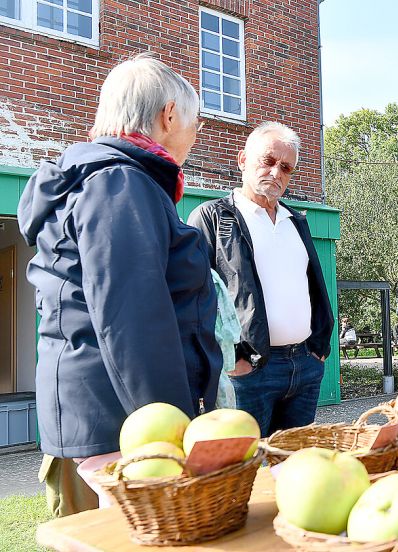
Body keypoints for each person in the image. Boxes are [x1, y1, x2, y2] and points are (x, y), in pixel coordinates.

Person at [17, 54, 222, 515]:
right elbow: (132, 320)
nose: (195, 135)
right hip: (118, 431)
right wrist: (169, 435)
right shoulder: (120, 183)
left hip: (102, 420)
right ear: (169, 115)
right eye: (195, 123)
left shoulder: (100, 178)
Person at [189, 122, 334, 437]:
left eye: (286, 167)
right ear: (242, 159)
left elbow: (312, 286)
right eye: (268, 161)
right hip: (248, 371)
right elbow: (196, 296)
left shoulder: (295, 221)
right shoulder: (212, 217)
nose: (276, 172)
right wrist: (231, 361)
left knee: (296, 467)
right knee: (244, 470)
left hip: (305, 366)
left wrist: (318, 349)